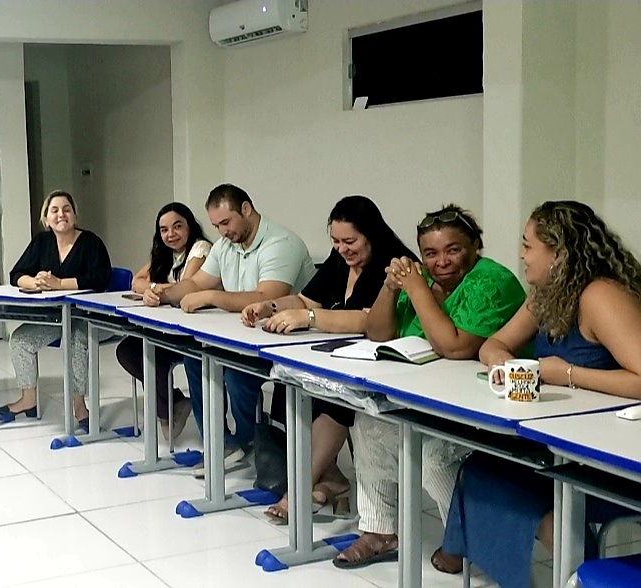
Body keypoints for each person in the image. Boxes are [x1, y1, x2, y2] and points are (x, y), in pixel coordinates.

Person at [436, 201, 641, 586]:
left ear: (558, 253)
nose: (521, 254)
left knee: (517, 487)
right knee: (481, 470)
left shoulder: (600, 296)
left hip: (607, 455)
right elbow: (494, 344)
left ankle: (577, 568)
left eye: (528, 245)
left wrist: (564, 374)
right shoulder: (547, 294)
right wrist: (502, 362)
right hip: (559, 438)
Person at [333, 204, 527, 569]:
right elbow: (378, 332)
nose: (442, 262)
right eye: (430, 253)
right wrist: (391, 289)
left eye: (453, 250)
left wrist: (417, 287)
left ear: (474, 246)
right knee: (371, 425)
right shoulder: (421, 280)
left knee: (435, 458)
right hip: (432, 398)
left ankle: (466, 544)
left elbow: (455, 347)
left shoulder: (490, 280)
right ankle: (379, 532)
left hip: (489, 406)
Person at [240, 195, 416, 523]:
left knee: (337, 397)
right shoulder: (339, 262)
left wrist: (308, 318)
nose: (342, 249)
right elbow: (306, 298)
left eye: (350, 241)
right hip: (336, 355)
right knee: (287, 384)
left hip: (380, 364)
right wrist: (271, 307)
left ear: (372, 235)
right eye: (335, 241)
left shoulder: (393, 265)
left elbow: (370, 321)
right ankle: (330, 478)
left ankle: (301, 486)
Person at [150, 183, 316, 469]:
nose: (222, 232)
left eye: (226, 222)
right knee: (195, 358)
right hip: (240, 337)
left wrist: (212, 296)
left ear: (247, 210)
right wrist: (160, 293)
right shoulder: (227, 245)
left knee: (236, 376)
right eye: (216, 226)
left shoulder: (281, 243)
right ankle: (219, 443)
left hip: (286, 343)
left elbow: (269, 297)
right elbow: (196, 283)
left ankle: (247, 440)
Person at [0, 190, 111, 426]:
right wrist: (34, 282)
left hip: (84, 316)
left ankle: (79, 406)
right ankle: (28, 400)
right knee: (20, 340)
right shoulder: (42, 241)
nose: (61, 215)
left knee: (76, 340)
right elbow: (16, 274)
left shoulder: (90, 242)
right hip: (54, 318)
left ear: (75, 215)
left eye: (67, 209)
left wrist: (59, 284)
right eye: (55, 210)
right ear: (46, 218)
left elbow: (100, 278)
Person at [115, 202, 212, 440]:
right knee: (129, 350)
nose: (171, 234)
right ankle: (174, 403)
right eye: (164, 230)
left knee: (149, 353)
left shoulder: (201, 248)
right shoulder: (164, 253)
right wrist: (153, 289)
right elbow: (136, 281)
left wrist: (154, 290)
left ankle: (167, 413)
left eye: (177, 226)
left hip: (195, 331)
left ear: (191, 226)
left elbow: (185, 288)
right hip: (167, 326)